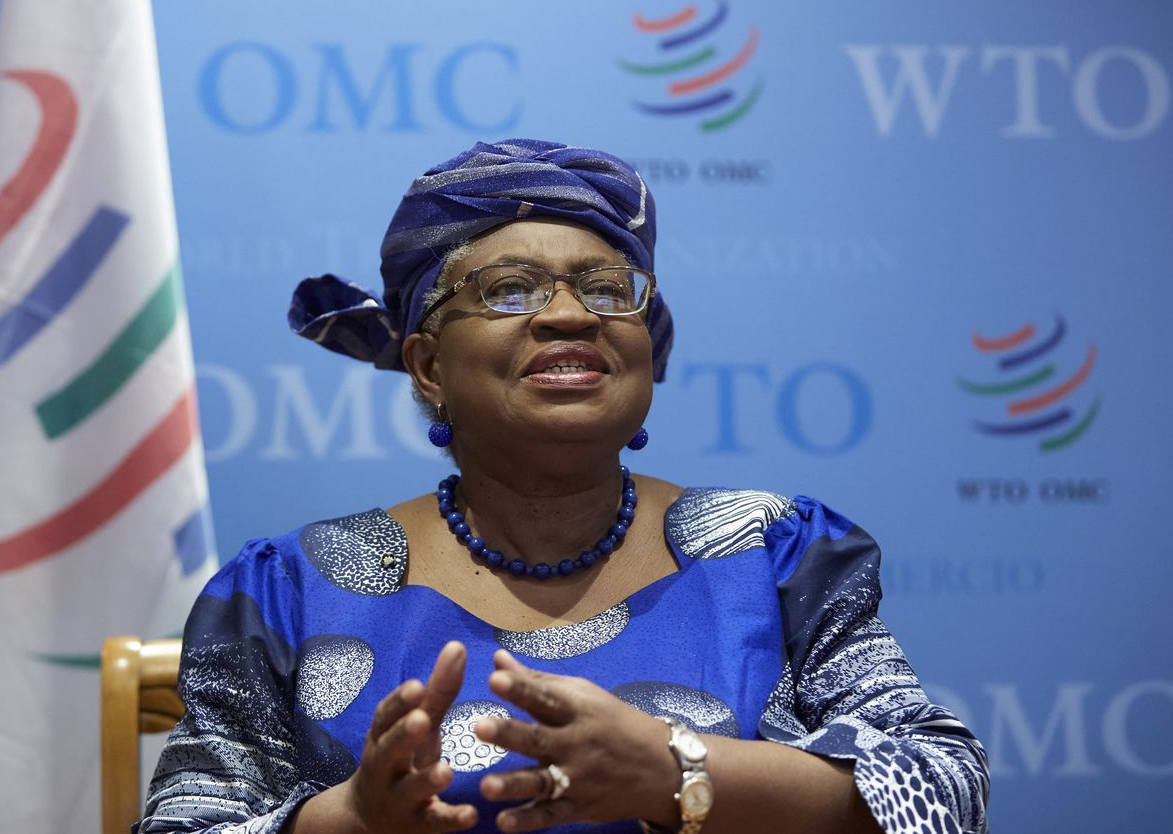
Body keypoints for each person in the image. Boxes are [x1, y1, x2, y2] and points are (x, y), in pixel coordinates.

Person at [137, 139, 989, 834]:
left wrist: (675, 773)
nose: (570, 315)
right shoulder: (292, 588)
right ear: (428, 363)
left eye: (606, 288)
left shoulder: (769, 550)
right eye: (508, 289)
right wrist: (352, 820)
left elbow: (945, 790)